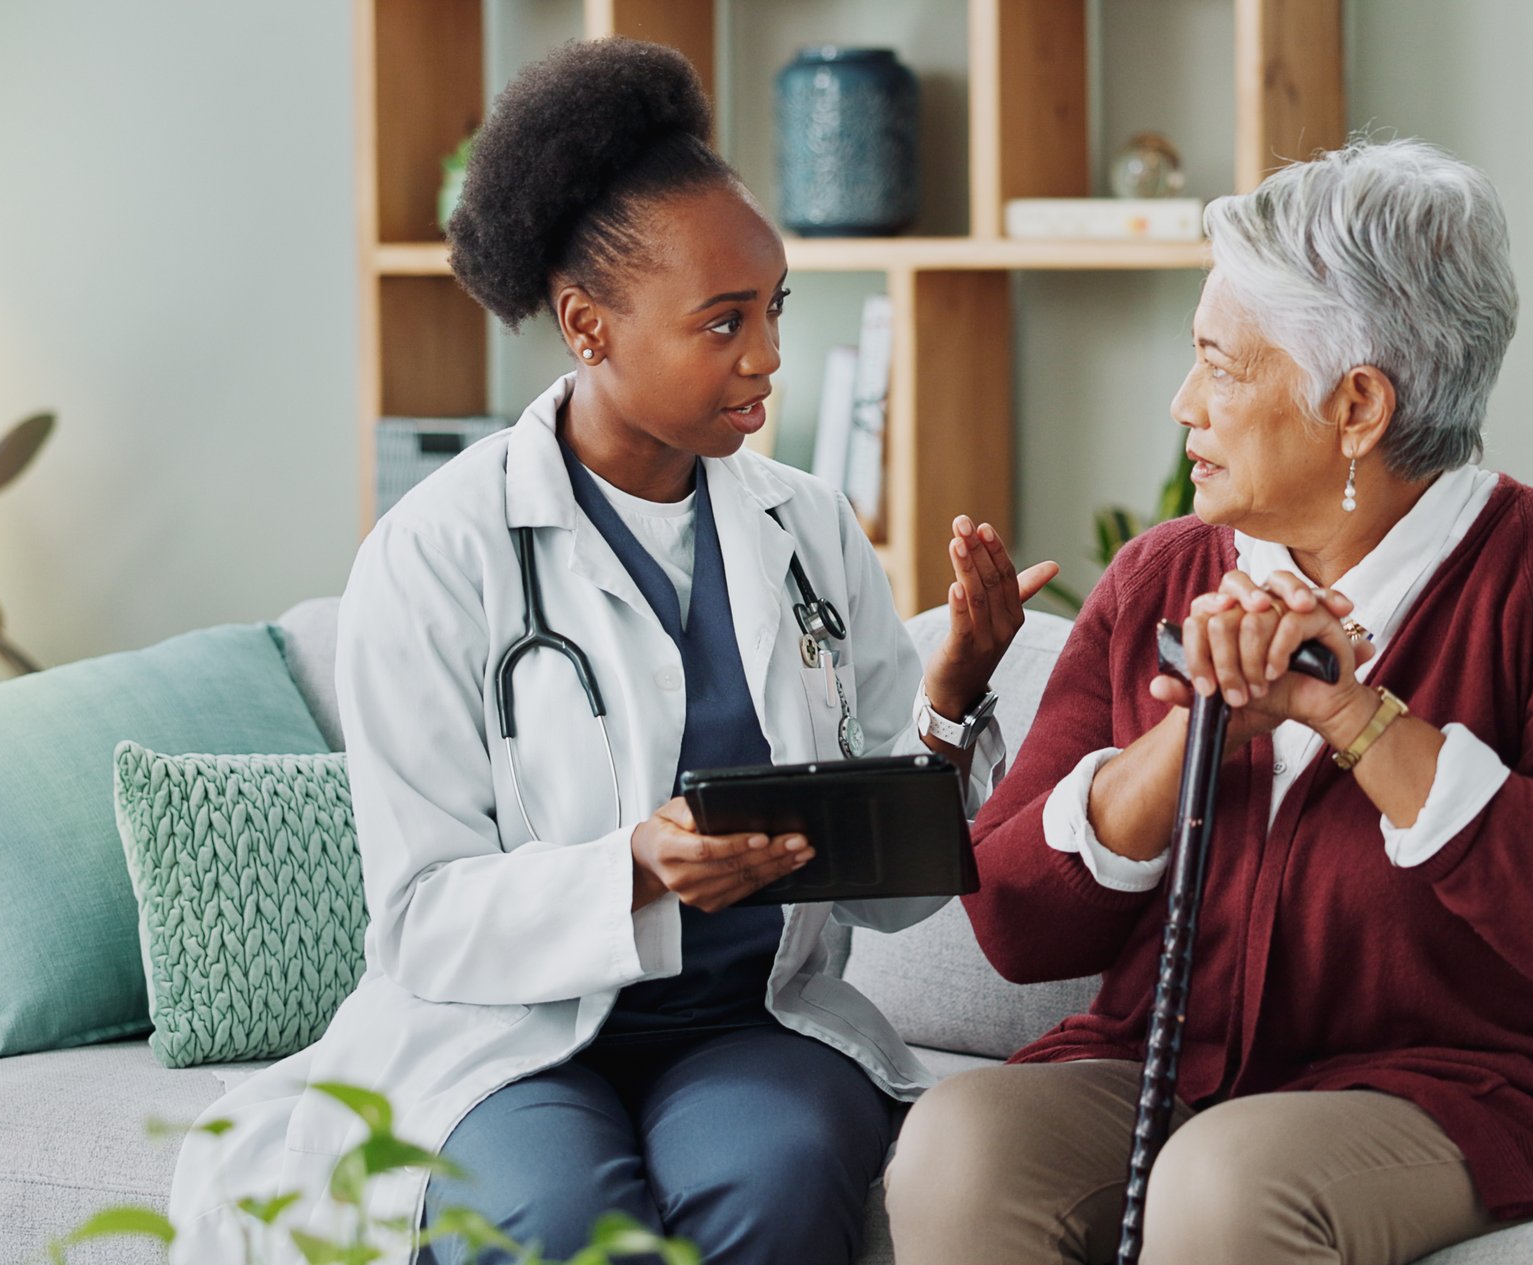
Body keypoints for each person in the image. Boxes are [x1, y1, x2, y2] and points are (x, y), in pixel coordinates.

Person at [167, 38, 1054, 1265]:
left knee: (776, 1181)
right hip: (503, 1037)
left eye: (775, 308)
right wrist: (632, 867)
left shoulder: (808, 525)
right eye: (723, 322)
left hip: (750, 1022)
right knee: (554, 1222)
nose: (768, 355)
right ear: (588, 325)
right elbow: (420, 917)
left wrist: (952, 698)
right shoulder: (436, 551)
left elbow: (895, 897)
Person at [884, 138, 1533, 1265]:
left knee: (1224, 1181)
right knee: (960, 1142)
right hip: (1173, 1067)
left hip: (1474, 1087)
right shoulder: (1159, 576)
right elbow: (1016, 924)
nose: (1184, 403)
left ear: (1357, 404)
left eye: (1220, 367)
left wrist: (1353, 717)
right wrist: (1197, 726)